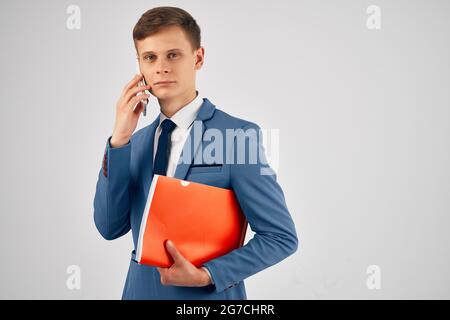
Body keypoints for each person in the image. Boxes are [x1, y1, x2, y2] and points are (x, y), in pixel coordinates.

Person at [93, 6, 298, 300]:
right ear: (140, 65)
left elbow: (281, 237)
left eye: (173, 54)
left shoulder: (237, 136)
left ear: (198, 58)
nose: (161, 67)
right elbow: (109, 227)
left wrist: (208, 274)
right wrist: (119, 138)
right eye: (150, 57)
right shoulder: (132, 144)